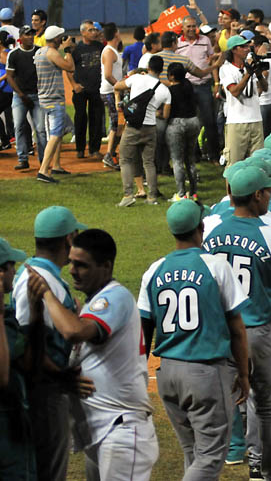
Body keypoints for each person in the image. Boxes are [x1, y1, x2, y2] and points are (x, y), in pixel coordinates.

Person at [26, 228, 158, 480]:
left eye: (82, 265)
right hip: (103, 431)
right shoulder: (93, 304)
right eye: (72, 263)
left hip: (122, 432)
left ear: (105, 266)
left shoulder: (116, 297)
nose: (73, 270)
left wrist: (45, 294)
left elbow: (73, 332)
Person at [202, 165, 271, 481]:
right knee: (268, 407)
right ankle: (265, 470)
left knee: (223, 403)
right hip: (259, 331)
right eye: (268, 191)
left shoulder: (211, 234)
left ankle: (213, 466)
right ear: (257, 195)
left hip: (223, 334)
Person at [139, 199, 250, 480]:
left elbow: (143, 331)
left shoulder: (154, 270)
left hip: (167, 375)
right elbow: (237, 328)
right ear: (201, 227)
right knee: (211, 457)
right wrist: (245, 373)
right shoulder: (215, 266)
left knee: (193, 452)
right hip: (205, 374)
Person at [10, 206, 88, 481]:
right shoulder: (39, 280)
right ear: (69, 239)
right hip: (44, 391)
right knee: (49, 472)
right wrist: (61, 374)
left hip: (46, 387)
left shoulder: (40, 273)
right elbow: (25, 343)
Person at [0, 236, 38, 480]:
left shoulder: (10, 317)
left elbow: (27, 362)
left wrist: (36, 312)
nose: (15, 270)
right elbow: (2, 376)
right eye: (11, 265)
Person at [113, 55, 172, 207]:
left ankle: (128, 195)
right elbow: (165, 115)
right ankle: (152, 197)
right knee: (149, 163)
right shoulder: (164, 90)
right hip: (151, 127)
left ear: (148, 67)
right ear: (161, 70)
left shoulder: (138, 78)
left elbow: (118, 86)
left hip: (133, 126)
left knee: (125, 160)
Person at [176, 16, 220, 163]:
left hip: (204, 86)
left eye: (193, 26)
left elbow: (212, 59)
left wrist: (216, 82)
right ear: (182, 28)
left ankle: (214, 155)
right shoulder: (177, 43)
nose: (191, 29)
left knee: (209, 121)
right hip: (186, 88)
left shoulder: (205, 40)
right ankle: (194, 155)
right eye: (188, 26)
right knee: (190, 122)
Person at [34, 25, 74, 184]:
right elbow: (70, 68)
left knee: (60, 131)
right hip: (54, 100)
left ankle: (56, 165)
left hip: (44, 99)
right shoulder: (52, 53)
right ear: (57, 39)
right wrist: (68, 51)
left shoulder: (40, 51)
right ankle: (43, 171)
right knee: (55, 134)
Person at [219, 34, 268, 166]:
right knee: (234, 164)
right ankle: (232, 188)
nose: (247, 49)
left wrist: (258, 74)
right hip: (237, 122)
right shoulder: (226, 69)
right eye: (243, 46)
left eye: (248, 46)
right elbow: (235, 92)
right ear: (234, 50)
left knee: (258, 164)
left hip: (256, 119)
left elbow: (264, 88)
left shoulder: (249, 66)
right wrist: (248, 74)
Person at [7, 25, 44, 172]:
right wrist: (21, 94)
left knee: (41, 129)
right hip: (19, 97)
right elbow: (10, 77)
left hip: (37, 96)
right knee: (19, 126)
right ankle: (23, 159)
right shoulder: (14, 54)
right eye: (27, 35)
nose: (30, 37)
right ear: (20, 37)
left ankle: (43, 160)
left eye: (31, 34)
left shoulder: (39, 51)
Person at [69, 21, 105, 162]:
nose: (94, 32)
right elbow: (68, 68)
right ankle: (80, 149)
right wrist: (74, 84)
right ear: (83, 32)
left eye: (95, 30)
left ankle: (94, 149)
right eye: (90, 30)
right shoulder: (76, 49)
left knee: (96, 119)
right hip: (80, 90)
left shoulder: (100, 47)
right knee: (80, 119)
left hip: (96, 89)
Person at [165, 62, 201, 201]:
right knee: (190, 159)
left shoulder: (170, 91)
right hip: (193, 121)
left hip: (176, 124)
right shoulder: (188, 85)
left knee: (177, 160)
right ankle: (194, 193)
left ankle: (181, 194)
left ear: (172, 76)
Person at [100, 23, 124, 168]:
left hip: (112, 91)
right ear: (115, 34)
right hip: (110, 92)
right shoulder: (109, 52)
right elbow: (108, 75)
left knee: (118, 123)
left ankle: (111, 154)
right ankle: (109, 154)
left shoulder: (112, 50)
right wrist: (119, 86)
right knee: (117, 124)